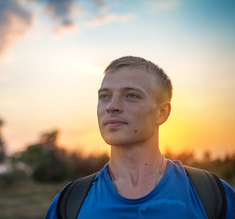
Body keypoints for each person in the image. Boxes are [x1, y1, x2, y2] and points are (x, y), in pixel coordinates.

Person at [45, 56, 235, 218]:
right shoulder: (70, 202)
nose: (111, 106)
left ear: (162, 113)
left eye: (131, 96)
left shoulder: (212, 194)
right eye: (104, 96)